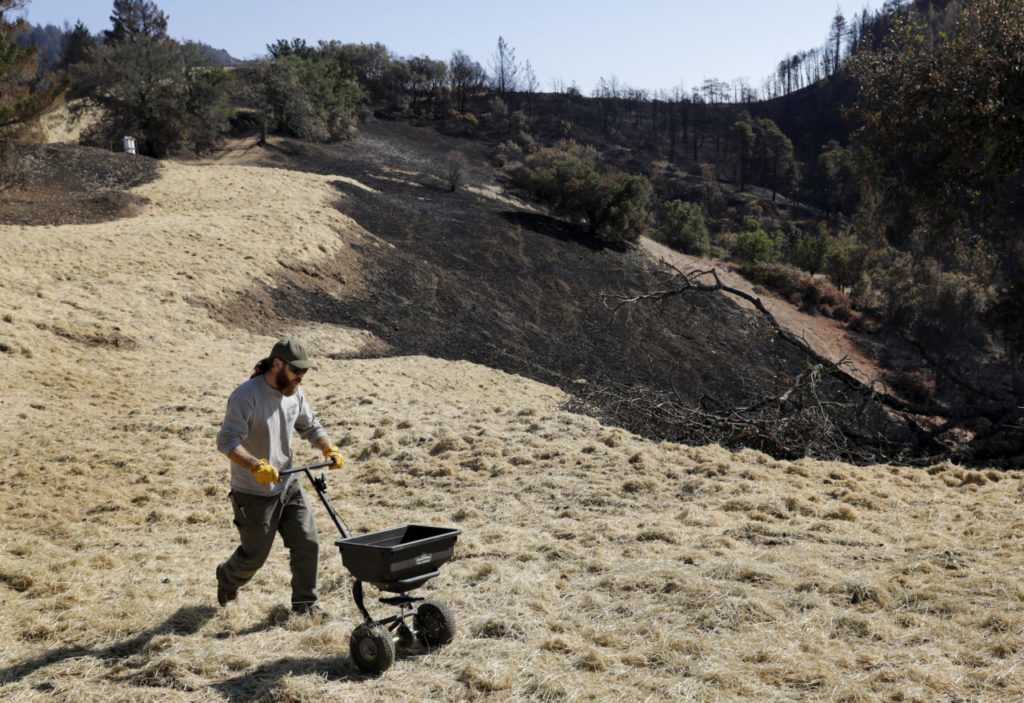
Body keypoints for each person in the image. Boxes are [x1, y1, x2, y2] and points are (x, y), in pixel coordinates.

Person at [214, 336, 345, 616]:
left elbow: (310, 426)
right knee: (254, 557)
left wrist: (328, 447)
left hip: (289, 483)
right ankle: (227, 578)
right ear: (277, 363)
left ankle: (305, 606)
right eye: (297, 370)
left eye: (305, 372)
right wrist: (254, 465)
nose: (301, 377)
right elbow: (227, 441)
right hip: (253, 492)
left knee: (307, 542)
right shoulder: (246, 396)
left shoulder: (293, 393)